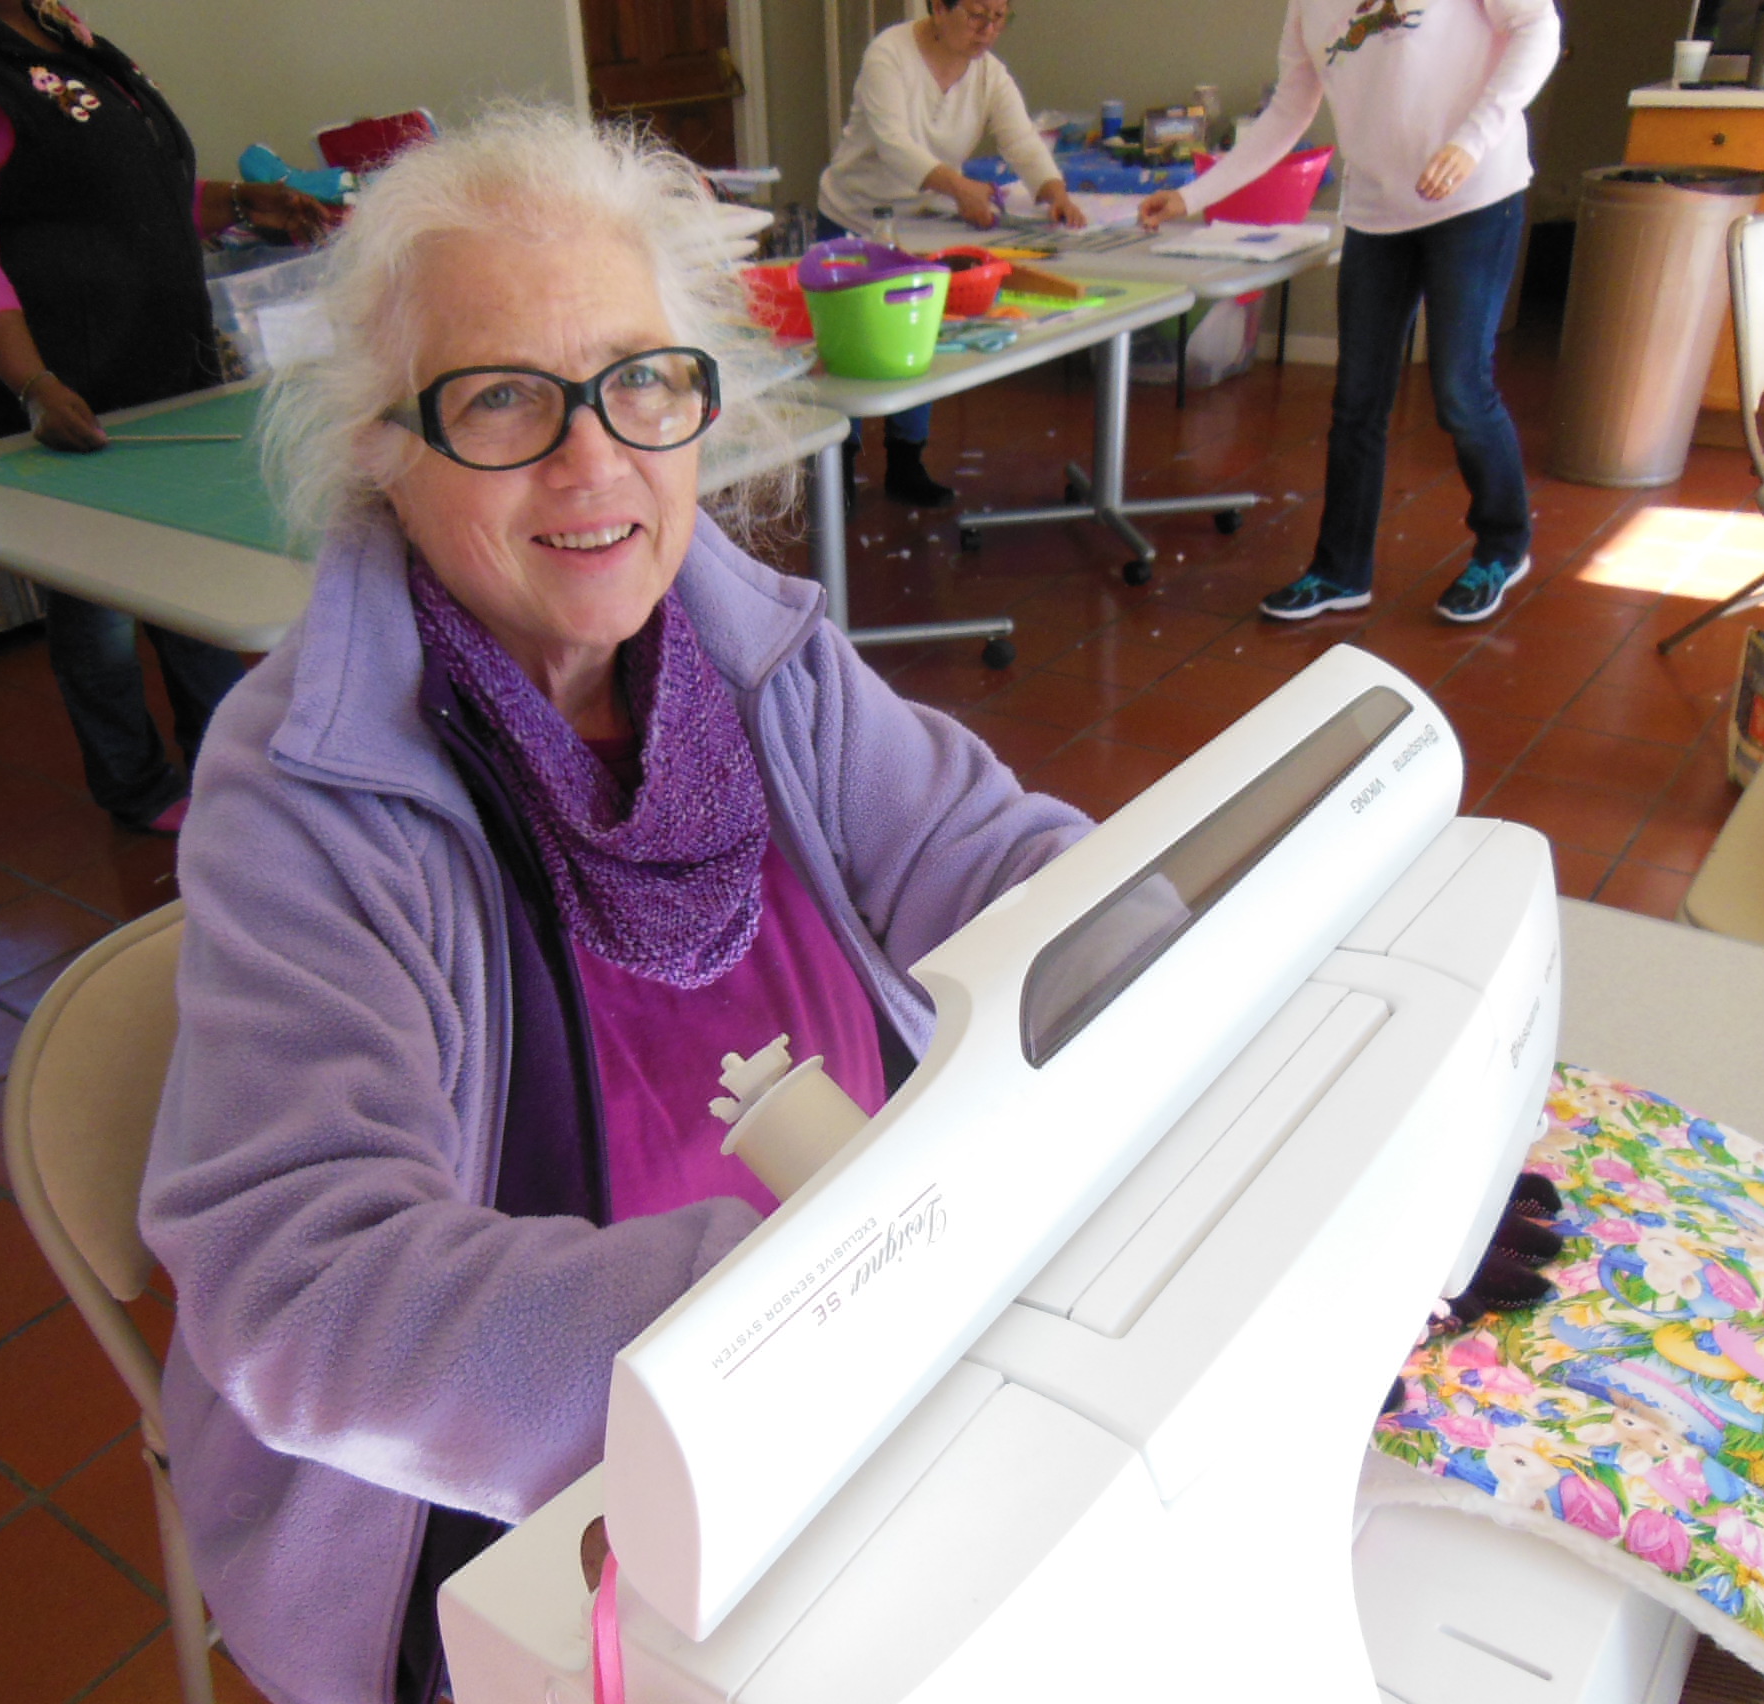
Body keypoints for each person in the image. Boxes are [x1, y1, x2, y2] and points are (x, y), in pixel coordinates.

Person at [138, 106, 1092, 1704]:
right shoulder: (302, 788)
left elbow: (1002, 862)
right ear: (386, 439)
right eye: (505, 397)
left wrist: (1188, 997)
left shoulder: (750, 643)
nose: (598, 463)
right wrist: (814, 1306)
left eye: (642, 380)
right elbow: (301, 1287)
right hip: (526, 1502)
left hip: (886, 1359)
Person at [0, 0, 336, 834]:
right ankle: (139, 785)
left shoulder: (60, 34)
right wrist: (32, 383)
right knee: (97, 599)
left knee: (192, 573)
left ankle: (229, 762)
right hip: (53, 378)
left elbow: (125, 189)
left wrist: (238, 203)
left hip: (148, 361)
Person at [1141, 0, 1560, 626]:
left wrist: (1471, 142)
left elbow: (1539, 29)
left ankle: (1503, 544)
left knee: (1461, 391)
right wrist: (1193, 195)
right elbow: (1289, 111)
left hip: (1476, 198)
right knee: (1358, 401)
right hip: (1376, 213)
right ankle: (1341, 570)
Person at [818, 0, 1086, 508]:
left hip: (920, 225)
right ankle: (839, 466)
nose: (989, 31)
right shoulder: (889, 55)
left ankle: (906, 461)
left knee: (920, 334)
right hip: (854, 216)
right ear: (938, 8)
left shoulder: (989, 74)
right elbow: (895, 145)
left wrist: (1054, 191)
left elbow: (1021, 140)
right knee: (847, 347)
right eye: (977, 16)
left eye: (1001, 18)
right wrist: (959, 187)